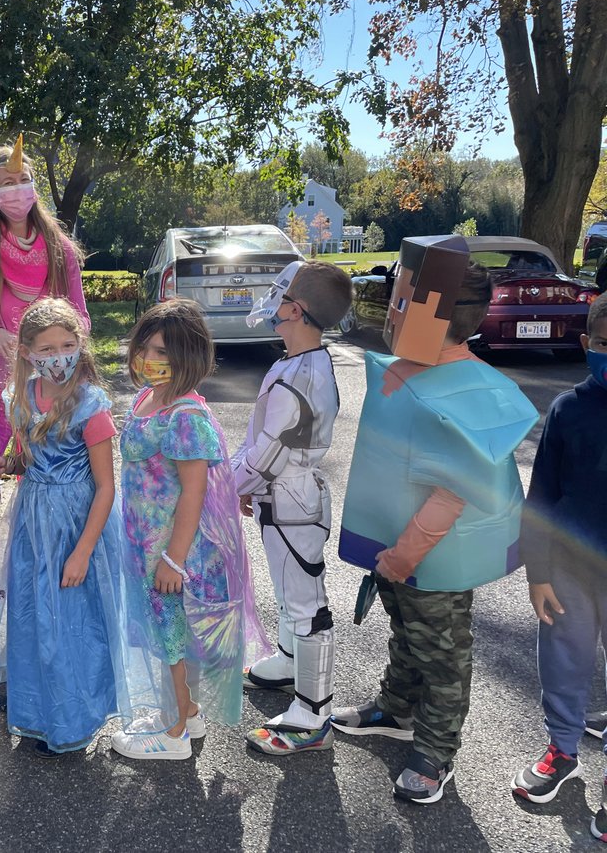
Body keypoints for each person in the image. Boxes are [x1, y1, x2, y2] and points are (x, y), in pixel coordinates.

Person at [334, 237, 538, 804]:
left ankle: (435, 751)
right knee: (407, 631)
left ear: (435, 314)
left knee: (443, 652)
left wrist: (406, 551)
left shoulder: (470, 388)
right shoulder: (406, 370)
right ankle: (396, 710)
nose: (390, 311)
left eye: (402, 302)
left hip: (431, 552)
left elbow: (455, 491)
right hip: (394, 546)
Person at [111, 298, 268, 761]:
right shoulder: (147, 398)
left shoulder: (185, 416)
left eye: (165, 352)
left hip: (176, 550)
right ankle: (185, 711)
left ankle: (174, 733)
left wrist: (174, 559)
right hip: (148, 543)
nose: (152, 360)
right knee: (168, 635)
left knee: (173, 639)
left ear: (190, 357)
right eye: (147, 348)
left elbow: (194, 493)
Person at [0, 297, 129, 757]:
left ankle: (74, 717)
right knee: (33, 613)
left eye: (68, 344)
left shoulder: (91, 406)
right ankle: (36, 709)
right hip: (33, 519)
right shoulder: (20, 398)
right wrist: (3, 464)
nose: (58, 355)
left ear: (80, 346)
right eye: (46, 348)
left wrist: (83, 551)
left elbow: (106, 486)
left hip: (76, 525)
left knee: (72, 621)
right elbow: (24, 458)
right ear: (26, 352)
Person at [232, 261, 354, 756]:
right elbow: (261, 443)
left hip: (291, 501)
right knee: (291, 595)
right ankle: (287, 662)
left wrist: (225, 485)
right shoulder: (296, 364)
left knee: (306, 606)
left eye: (282, 300)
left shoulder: (299, 375)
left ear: (297, 310)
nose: (274, 307)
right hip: (284, 498)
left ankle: (312, 713)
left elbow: (268, 451)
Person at [510, 295, 607, 841]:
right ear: (586, 344)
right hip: (568, 570)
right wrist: (537, 572)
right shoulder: (568, 410)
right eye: (606, 344)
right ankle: (563, 748)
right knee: (564, 663)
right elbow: (542, 496)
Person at [0, 135, 90, 456]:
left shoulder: (61, 250)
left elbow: (81, 318)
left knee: (49, 474)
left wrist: (58, 347)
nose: (18, 189)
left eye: (24, 181)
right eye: (8, 183)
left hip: (52, 384)